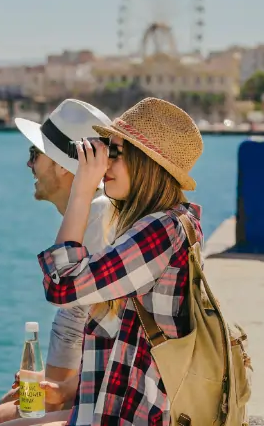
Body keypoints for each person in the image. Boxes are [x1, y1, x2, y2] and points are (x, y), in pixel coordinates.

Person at [23, 97, 205, 426]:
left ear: (145, 163)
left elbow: (61, 285)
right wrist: (67, 389)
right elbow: (114, 333)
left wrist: (82, 187)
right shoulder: (161, 225)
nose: (104, 165)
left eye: (115, 154)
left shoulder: (161, 231)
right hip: (109, 408)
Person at [0, 99, 115, 426]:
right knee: (1, 413)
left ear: (62, 166)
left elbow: (76, 311)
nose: (29, 165)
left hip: (104, 394)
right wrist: (52, 388)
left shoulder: (97, 214)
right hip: (88, 383)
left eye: (34, 155)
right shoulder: (95, 211)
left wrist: (57, 393)